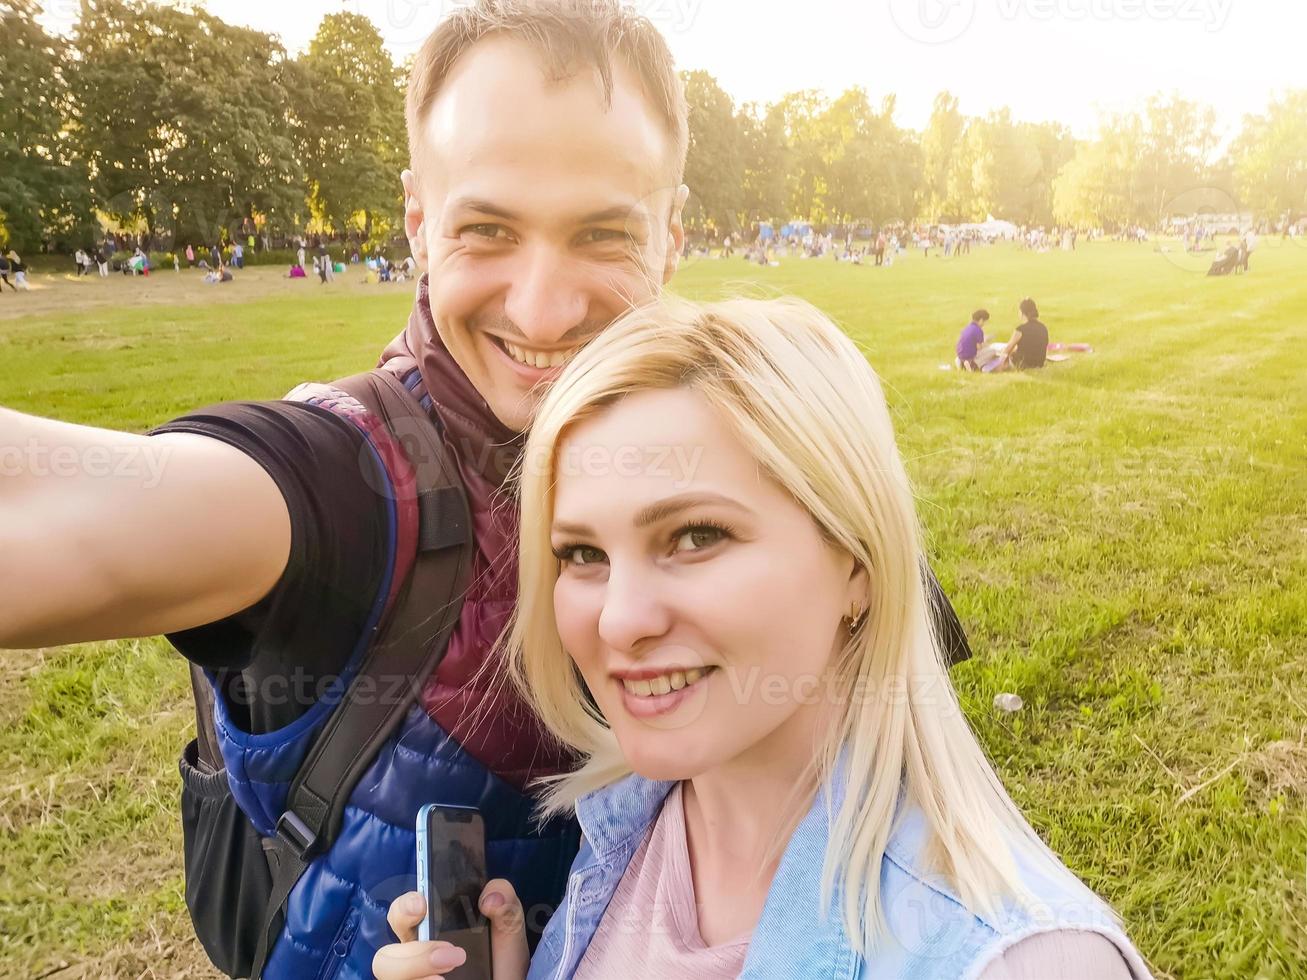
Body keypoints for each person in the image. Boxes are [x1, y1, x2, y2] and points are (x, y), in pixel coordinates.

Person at [0, 4, 970, 976]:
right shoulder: (336, 484)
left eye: (602, 234)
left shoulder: (770, 453)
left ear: (671, 236)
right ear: (419, 221)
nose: (541, 307)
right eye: (486, 230)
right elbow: (49, 512)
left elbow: (912, 783)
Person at [374, 297, 1152, 980]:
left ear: (859, 562)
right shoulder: (624, 823)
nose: (617, 620)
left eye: (695, 535)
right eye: (581, 554)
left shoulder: (1017, 961)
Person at [1002, 298, 1048, 370]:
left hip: (1023, 364)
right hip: (1039, 363)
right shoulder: (1043, 327)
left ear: (1021, 312)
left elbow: (1007, 350)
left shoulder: (1020, 330)